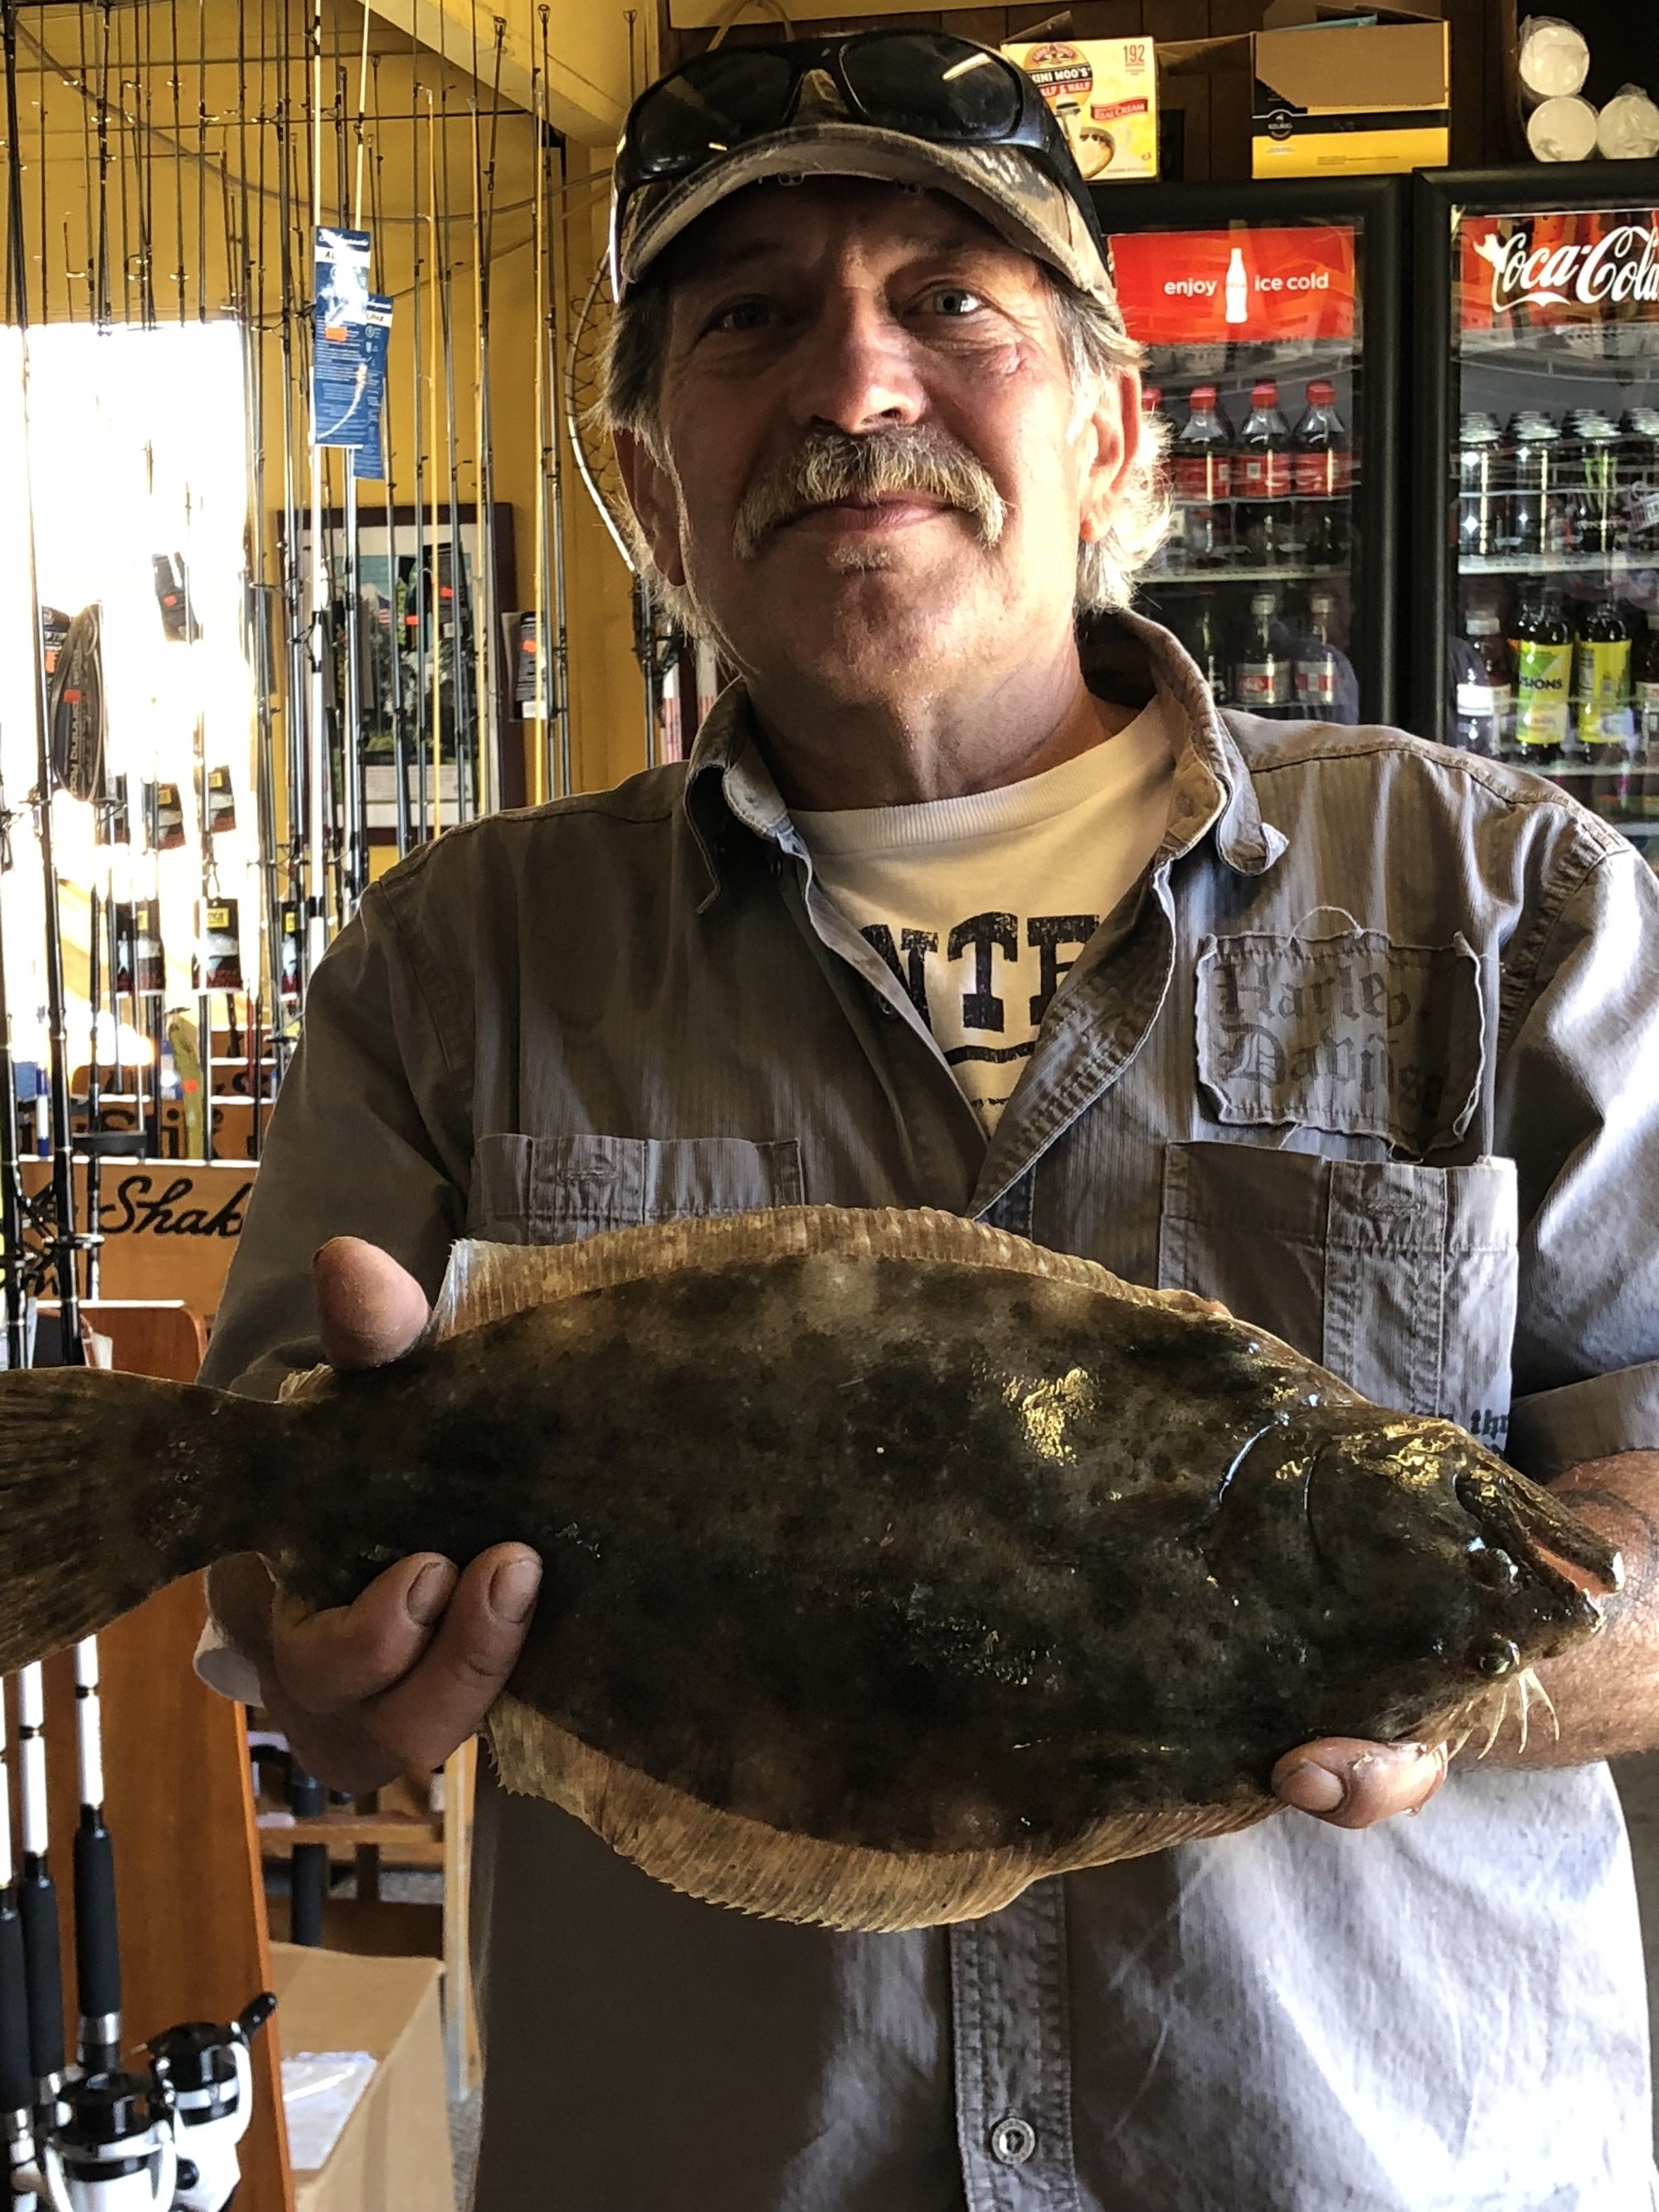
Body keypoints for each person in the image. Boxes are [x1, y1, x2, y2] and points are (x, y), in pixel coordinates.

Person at [201, 32, 1659, 2210]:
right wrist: (316, 1645)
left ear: (1109, 428)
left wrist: (1472, 1674)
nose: (855, 380)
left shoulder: (1510, 904)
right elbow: (263, 1525)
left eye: (951, 302)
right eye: (750, 320)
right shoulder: (454, 962)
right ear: (645, 486)